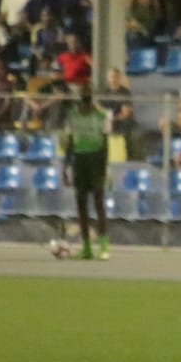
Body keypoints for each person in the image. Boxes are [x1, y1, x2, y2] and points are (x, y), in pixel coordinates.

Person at [62, 84, 110, 261]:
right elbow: (70, 142)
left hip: (95, 159)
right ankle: (87, 248)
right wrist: (66, 166)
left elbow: (105, 145)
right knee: (81, 206)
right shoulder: (73, 116)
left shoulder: (101, 116)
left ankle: (104, 246)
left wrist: (105, 169)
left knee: (98, 203)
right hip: (79, 159)